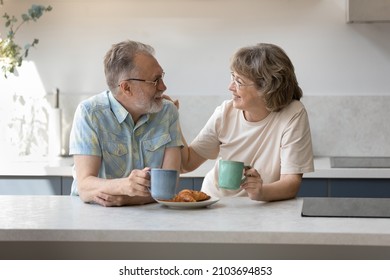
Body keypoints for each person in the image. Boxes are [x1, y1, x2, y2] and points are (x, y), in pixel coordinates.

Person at [180, 43, 314, 202]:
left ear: (267, 88)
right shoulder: (225, 113)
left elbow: (291, 183)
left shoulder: (292, 114)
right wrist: (172, 120)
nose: (230, 87)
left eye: (239, 81)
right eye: (232, 77)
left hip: (261, 208)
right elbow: (186, 164)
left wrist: (261, 192)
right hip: (214, 202)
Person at [69, 40, 183, 207]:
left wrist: (126, 199)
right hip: (94, 216)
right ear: (126, 88)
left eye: (162, 76)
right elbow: (85, 187)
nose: (163, 86)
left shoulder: (167, 112)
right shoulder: (90, 113)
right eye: (155, 80)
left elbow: (168, 189)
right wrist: (123, 186)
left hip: (151, 219)